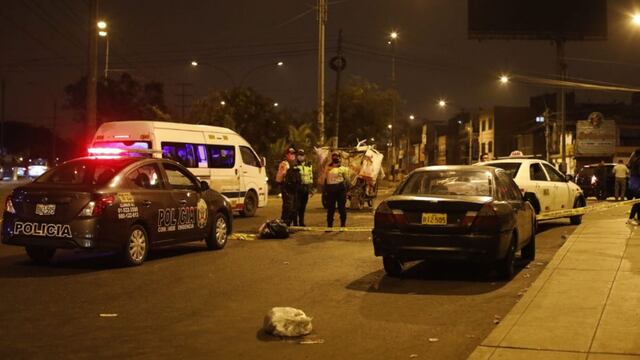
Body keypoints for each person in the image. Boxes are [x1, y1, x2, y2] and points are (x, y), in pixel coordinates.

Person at [322, 152, 350, 228]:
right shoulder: (327, 168)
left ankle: (343, 225)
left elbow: (347, 180)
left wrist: (347, 189)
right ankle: (329, 226)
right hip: (330, 190)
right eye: (334, 156)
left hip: (340, 190)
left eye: (337, 156)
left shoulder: (343, 168)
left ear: (339, 158)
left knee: (342, 208)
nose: (335, 157)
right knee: (331, 208)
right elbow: (324, 179)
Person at [276, 148, 297, 222]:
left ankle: (289, 222)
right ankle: (284, 221)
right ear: (286, 154)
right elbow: (280, 177)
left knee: (293, 206)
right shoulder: (284, 164)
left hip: (293, 187)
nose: (292, 155)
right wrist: (280, 186)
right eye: (290, 153)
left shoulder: (294, 163)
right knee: (288, 206)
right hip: (286, 187)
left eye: (293, 153)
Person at [295, 149, 313, 227]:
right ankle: (295, 223)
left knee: (303, 207)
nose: (301, 156)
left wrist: (310, 189)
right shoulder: (294, 165)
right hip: (297, 188)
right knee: (296, 206)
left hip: (305, 188)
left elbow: (311, 177)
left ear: (305, 156)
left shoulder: (308, 165)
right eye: (299, 155)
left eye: (302, 155)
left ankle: (301, 222)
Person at [627, 149, 640, 225]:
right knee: (638, 202)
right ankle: (631, 218)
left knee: (638, 201)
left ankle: (637, 218)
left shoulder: (634, 160)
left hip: (634, 184)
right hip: (637, 184)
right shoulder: (638, 161)